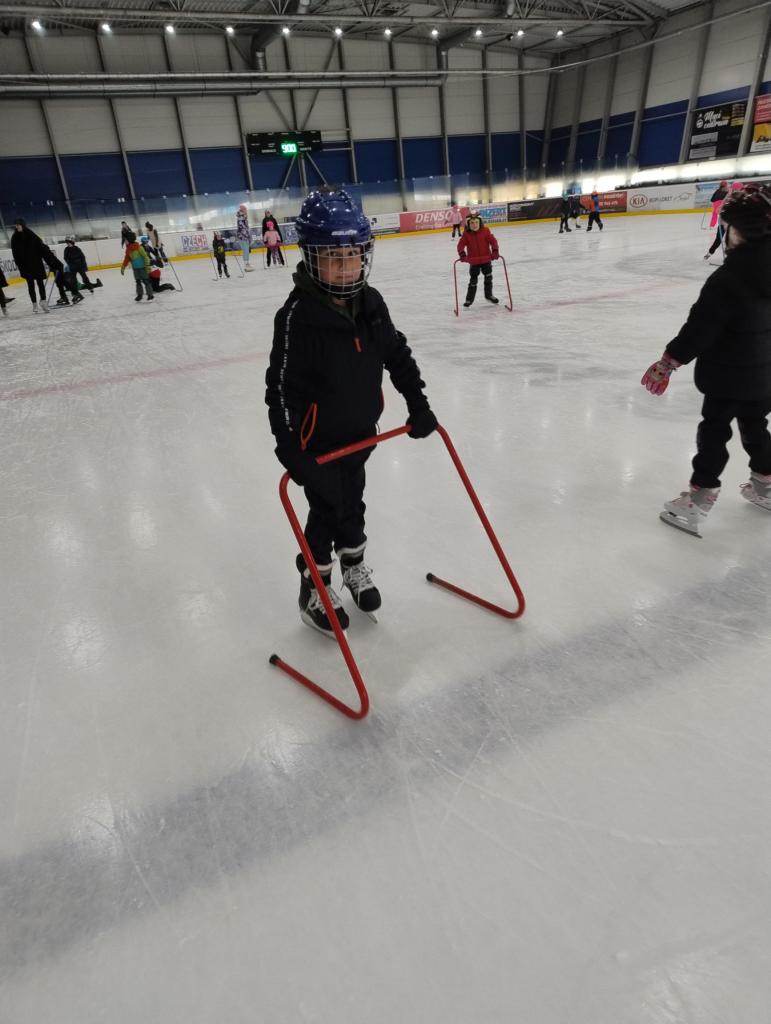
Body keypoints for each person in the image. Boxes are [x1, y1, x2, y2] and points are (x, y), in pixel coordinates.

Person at [265, 188, 438, 637]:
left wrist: (417, 403)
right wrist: (291, 452)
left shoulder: (371, 303)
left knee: (352, 502)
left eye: (353, 255)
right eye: (333, 258)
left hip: (361, 434)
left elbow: (396, 354)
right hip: (317, 445)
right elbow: (280, 390)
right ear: (311, 258)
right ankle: (314, 586)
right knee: (326, 510)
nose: (346, 267)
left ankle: (353, 565)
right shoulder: (297, 318)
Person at [641, 184, 771, 536]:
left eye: (727, 228)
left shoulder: (728, 279)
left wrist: (668, 362)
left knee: (714, 431)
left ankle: (699, 497)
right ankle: (766, 482)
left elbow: (699, 329)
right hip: (763, 375)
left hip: (727, 376)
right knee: (755, 426)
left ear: (740, 230)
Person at [456, 211, 499, 307]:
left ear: (480, 223)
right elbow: (460, 246)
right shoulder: (466, 234)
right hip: (474, 261)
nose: (474, 225)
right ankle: (469, 299)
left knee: (488, 278)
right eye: (472, 223)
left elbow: (493, 241)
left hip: (486, 260)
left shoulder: (485, 231)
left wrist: (495, 251)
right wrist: (462, 255)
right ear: (468, 224)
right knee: (473, 281)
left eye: (476, 222)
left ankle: (489, 295)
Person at [10, 218, 49, 312]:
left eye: (19, 225)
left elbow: (40, 245)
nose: (17, 226)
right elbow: (15, 253)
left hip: (36, 263)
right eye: (16, 225)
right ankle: (34, 304)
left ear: (23, 225)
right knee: (30, 285)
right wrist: (19, 264)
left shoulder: (30, 234)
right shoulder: (15, 237)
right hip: (25, 265)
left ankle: (43, 302)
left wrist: (48, 255)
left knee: (40, 283)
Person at [705, 181, 744, 260]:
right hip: (723, 222)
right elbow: (721, 205)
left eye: (738, 189)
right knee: (718, 239)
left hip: (733, 223)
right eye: (735, 189)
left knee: (732, 240)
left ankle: (733, 256)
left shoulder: (742, 198)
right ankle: (710, 253)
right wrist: (719, 209)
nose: (736, 191)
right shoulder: (729, 195)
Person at [120, 231, 154, 302]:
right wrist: (123, 267)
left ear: (129, 239)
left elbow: (145, 257)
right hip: (135, 269)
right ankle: (139, 295)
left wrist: (147, 266)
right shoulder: (128, 249)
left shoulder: (139, 247)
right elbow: (126, 259)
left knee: (146, 281)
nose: (125, 241)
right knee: (138, 281)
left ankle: (150, 294)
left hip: (143, 268)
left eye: (126, 240)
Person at [236, 204, 254, 271]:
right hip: (242, 237)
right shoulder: (241, 218)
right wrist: (247, 236)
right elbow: (243, 228)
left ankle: (246, 264)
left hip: (244, 236)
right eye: (245, 210)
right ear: (243, 210)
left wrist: (249, 236)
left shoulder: (243, 217)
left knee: (246, 250)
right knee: (246, 250)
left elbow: (246, 228)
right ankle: (246, 265)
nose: (246, 211)